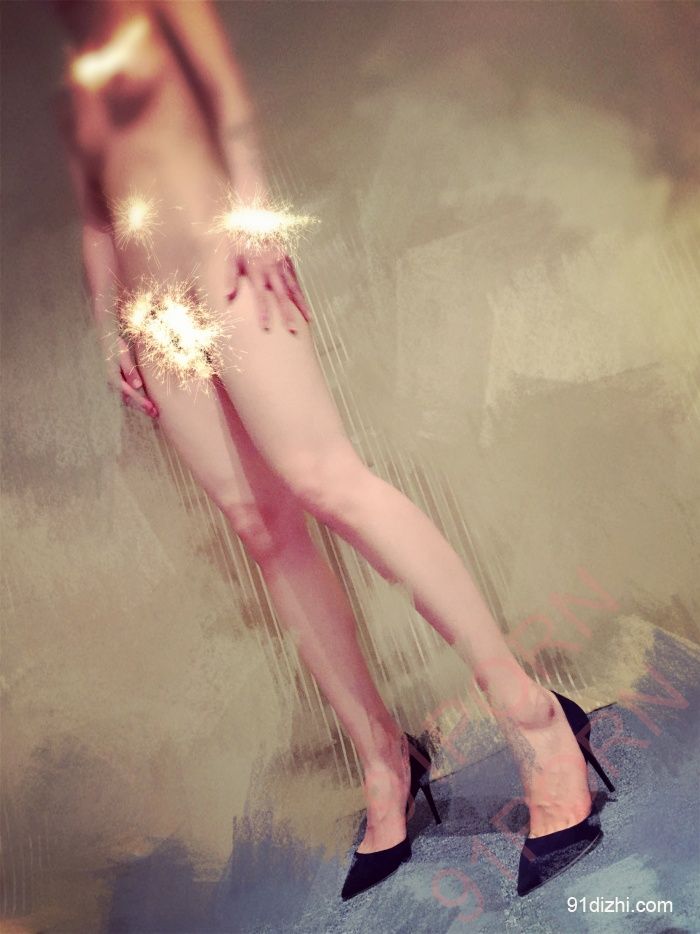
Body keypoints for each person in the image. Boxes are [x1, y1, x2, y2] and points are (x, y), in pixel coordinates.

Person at [54, 0, 614, 900]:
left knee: (328, 479)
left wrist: (252, 221)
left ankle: (536, 718)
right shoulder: (82, 61)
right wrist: (105, 322)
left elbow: (228, 103)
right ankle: (385, 759)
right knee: (261, 528)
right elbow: (95, 208)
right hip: (149, 307)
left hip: (217, 258)